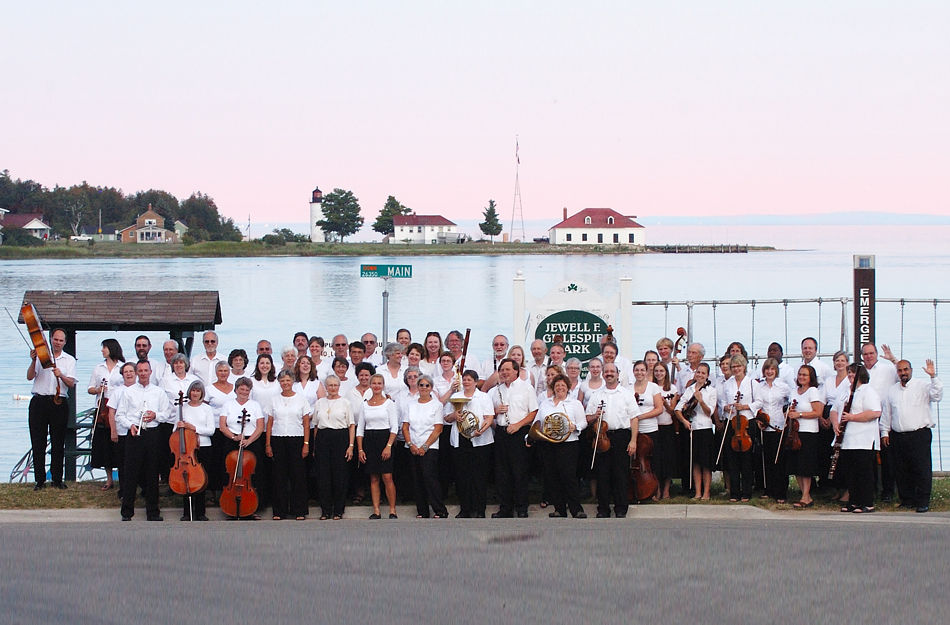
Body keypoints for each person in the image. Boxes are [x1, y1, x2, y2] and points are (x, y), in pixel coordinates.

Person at [881, 358, 942, 512]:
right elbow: (887, 413)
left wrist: (933, 376)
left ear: (911, 370)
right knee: (901, 470)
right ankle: (907, 499)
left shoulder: (922, 386)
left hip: (919, 434)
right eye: (900, 370)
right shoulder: (892, 390)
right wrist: (884, 432)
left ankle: (922, 501)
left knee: (921, 469)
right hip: (898, 435)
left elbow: (937, 395)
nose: (903, 373)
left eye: (906, 370)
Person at [116, 360, 171, 521]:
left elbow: (166, 413)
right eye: (140, 371)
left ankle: (153, 512)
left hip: (153, 433)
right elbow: (120, 415)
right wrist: (130, 425)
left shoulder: (159, 392)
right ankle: (127, 512)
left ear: (150, 372)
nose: (143, 373)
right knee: (130, 473)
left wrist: (156, 416)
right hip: (134, 434)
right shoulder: (129, 391)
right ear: (136, 373)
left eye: (146, 370)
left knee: (152, 473)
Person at [530, 373, 587, 518]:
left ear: (568, 388)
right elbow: (537, 423)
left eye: (563, 385)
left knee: (569, 477)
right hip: (548, 444)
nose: (560, 388)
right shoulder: (545, 403)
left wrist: (575, 427)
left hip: (568, 444)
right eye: (557, 386)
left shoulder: (574, 404)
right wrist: (528, 437)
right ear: (553, 388)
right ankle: (559, 509)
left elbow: (583, 422)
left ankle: (576, 509)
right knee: (552, 477)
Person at [586, 363, 639, 517]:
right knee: (602, 474)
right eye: (606, 371)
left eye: (612, 371)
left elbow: (634, 418)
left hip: (621, 436)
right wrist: (595, 416)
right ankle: (603, 509)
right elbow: (588, 418)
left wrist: (633, 440)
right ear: (603, 374)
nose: (609, 374)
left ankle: (621, 508)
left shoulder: (626, 394)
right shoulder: (597, 395)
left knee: (620, 474)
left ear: (617, 374)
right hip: (602, 436)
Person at [26, 327, 76, 490]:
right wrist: (33, 360)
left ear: (65, 342)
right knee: (38, 442)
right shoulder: (42, 356)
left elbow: (71, 383)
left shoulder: (69, 360)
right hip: (39, 401)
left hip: (58, 402)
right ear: (51, 339)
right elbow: (30, 377)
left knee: (57, 441)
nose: (58, 343)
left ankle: (56, 478)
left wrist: (60, 375)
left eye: (61, 340)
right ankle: (39, 480)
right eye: (55, 339)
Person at [490, 358, 538, 518]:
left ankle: (522, 507)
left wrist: (518, 425)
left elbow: (534, 412)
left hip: (519, 432)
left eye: (507, 369)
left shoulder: (526, 388)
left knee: (520, 472)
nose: (504, 373)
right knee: (502, 473)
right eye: (502, 370)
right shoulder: (496, 390)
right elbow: (488, 414)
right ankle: (505, 508)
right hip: (502, 433)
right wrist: (496, 411)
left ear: (516, 371)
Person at [831, 364, 881, 513]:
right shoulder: (845, 391)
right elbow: (834, 409)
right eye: (850, 373)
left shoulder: (868, 391)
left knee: (863, 473)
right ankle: (853, 501)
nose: (851, 376)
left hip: (863, 439)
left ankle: (866, 502)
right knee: (850, 472)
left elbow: (875, 412)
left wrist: (852, 417)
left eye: (854, 374)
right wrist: (835, 423)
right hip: (846, 440)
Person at [445, 370, 494, 518]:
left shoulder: (483, 397)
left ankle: (480, 510)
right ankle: (465, 509)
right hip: (461, 440)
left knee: (479, 477)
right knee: (462, 477)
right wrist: (454, 415)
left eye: (469, 380)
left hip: (480, 441)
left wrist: (482, 430)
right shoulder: (455, 397)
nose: (466, 382)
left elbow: (489, 417)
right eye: (464, 379)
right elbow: (446, 418)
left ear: (476, 382)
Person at [265, 370, 311, 520]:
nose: (285, 383)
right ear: (279, 383)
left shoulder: (301, 399)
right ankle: (279, 511)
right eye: (282, 381)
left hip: (297, 439)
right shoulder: (273, 400)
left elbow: (305, 423)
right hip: (278, 439)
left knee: (298, 476)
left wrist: (306, 444)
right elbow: (270, 424)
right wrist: (268, 444)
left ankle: (299, 510)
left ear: (292, 382)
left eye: (288, 380)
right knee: (279, 476)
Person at [218, 377, 266, 520]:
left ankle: (252, 508)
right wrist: (234, 437)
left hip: (252, 441)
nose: (244, 392)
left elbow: (260, 426)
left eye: (247, 389)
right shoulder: (228, 405)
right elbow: (222, 426)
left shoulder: (255, 405)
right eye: (241, 389)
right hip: (232, 441)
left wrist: (248, 440)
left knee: (254, 476)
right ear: (236, 389)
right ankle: (231, 508)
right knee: (230, 475)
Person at [402, 374, 447, 518]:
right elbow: (405, 427)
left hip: (430, 447)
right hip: (413, 447)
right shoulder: (411, 404)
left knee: (430, 479)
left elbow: (438, 428)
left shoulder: (437, 405)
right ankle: (422, 511)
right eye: (421, 385)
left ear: (431, 388)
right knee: (417, 480)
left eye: (427, 385)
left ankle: (440, 510)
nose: (423, 388)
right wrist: (411, 444)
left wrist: (425, 447)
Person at [744, 357, 789, 502]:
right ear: (764, 371)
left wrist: (787, 414)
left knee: (780, 460)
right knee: (766, 460)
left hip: (779, 426)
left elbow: (790, 402)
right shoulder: (759, 386)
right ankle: (768, 489)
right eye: (767, 369)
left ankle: (781, 492)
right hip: (764, 426)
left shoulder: (783, 386)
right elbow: (756, 404)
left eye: (772, 369)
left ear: (776, 371)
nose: (769, 372)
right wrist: (758, 418)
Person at [356, 374, 399, 519]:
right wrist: (360, 449)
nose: (376, 386)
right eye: (373, 383)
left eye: (379, 383)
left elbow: (394, 427)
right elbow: (360, 428)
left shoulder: (389, 403)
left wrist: (388, 446)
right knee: (374, 478)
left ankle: (392, 510)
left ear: (383, 385)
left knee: (387, 477)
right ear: (370, 385)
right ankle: (376, 510)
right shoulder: (365, 404)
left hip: (384, 440)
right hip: (369, 441)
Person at [314, 375, 356, 520]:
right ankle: (325, 510)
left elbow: (351, 425)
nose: (332, 388)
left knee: (340, 476)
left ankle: (338, 510)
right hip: (323, 439)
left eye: (335, 385)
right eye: (329, 385)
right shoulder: (319, 403)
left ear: (339, 386)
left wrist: (351, 446)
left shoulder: (345, 403)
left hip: (340, 437)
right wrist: (314, 446)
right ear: (325, 387)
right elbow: (316, 426)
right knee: (323, 476)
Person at [862, 342, 899, 502]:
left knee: (887, 457)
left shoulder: (888, 369)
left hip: (884, 419)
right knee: (868, 457)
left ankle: (888, 491)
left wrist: (893, 359)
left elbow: (904, 374)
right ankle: (871, 489)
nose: (868, 356)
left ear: (876, 354)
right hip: (864, 420)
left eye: (871, 353)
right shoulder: (860, 371)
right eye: (865, 354)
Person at [674, 363, 717, 500]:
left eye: (703, 373)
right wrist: (684, 421)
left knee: (706, 463)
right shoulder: (690, 389)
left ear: (707, 376)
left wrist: (701, 401)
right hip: (693, 429)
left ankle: (706, 493)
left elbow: (709, 412)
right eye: (698, 372)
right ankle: (697, 492)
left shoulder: (711, 391)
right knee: (696, 463)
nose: (700, 375)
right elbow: (678, 409)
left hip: (705, 429)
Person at [87, 338, 125, 490]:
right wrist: (98, 390)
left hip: (118, 409)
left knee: (119, 444)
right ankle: (109, 479)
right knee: (104, 445)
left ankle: (122, 477)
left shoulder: (123, 367)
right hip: (102, 409)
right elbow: (90, 388)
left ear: (111, 348)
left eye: (104, 347)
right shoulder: (98, 368)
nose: (102, 350)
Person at [175, 380, 215, 521]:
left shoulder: (207, 409)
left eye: (198, 391)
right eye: (193, 390)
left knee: (201, 480)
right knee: (186, 479)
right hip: (186, 450)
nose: (195, 393)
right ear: (189, 392)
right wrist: (179, 426)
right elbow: (175, 430)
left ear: (202, 393)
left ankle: (200, 512)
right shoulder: (182, 408)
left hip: (204, 446)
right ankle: (187, 512)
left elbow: (211, 430)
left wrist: (194, 428)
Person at [787, 365, 824, 508]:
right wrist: (789, 413)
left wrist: (800, 414)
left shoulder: (813, 391)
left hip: (808, 432)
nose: (801, 377)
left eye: (805, 375)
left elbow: (818, 412)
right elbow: (791, 409)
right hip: (794, 432)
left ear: (811, 378)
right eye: (800, 374)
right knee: (796, 465)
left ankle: (805, 495)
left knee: (805, 466)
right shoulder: (793, 392)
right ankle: (805, 495)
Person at [158, 352, 197, 484]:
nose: (179, 365)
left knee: (189, 451)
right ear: (172, 365)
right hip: (170, 420)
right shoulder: (165, 381)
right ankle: (171, 481)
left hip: (189, 420)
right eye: (176, 363)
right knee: (170, 452)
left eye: (181, 362)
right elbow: (160, 400)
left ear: (186, 364)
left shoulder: (193, 379)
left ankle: (191, 478)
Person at [628, 360, 664, 502]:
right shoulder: (628, 388)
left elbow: (659, 408)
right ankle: (636, 490)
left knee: (652, 463)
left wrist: (640, 416)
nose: (639, 373)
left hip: (650, 429)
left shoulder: (653, 387)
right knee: (634, 463)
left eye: (642, 370)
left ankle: (656, 490)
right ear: (633, 372)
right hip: (634, 430)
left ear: (646, 371)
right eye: (637, 370)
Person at [106, 362, 137, 500]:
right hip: (122, 432)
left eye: (131, 371)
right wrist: (113, 431)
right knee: (122, 463)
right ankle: (124, 490)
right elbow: (111, 412)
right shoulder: (117, 391)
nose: (129, 374)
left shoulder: (141, 390)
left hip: (137, 433)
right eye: (126, 372)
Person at [823, 351, 851, 497]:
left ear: (847, 362)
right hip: (828, 415)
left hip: (843, 416)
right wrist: (825, 418)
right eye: (837, 360)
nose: (839, 363)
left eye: (842, 360)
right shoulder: (829, 380)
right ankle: (835, 487)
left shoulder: (850, 380)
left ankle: (847, 489)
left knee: (843, 456)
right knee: (830, 456)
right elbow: (823, 399)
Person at [652, 362, 679, 499]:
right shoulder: (651, 387)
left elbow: (672, 412)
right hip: (654, 427)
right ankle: (657, 489)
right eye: (656, 371)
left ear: (666, 372)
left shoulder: (672, 389)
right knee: (656, 460)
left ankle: (666, 490)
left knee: (668, 459)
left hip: (667, 426)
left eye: (661, 371)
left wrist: (664, 403)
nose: (659, 373)